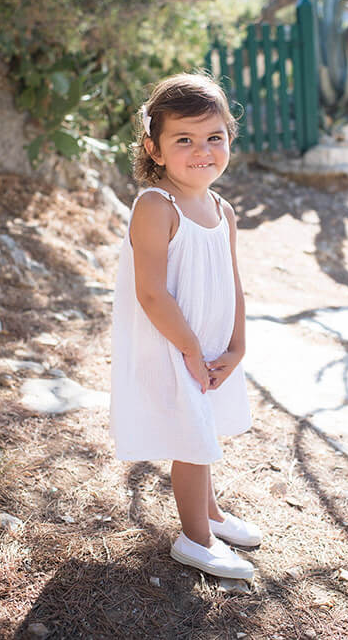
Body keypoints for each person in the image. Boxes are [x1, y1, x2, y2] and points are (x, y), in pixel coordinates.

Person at [110, 73, 260, 580]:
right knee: (191, 438)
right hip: (173, 341)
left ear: (229, 140)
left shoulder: (223, 209)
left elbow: (234, 282)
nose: (202, 151)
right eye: (184, 140)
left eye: (214, 137)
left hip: (210, 342)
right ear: (154, 148)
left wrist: (237, 346)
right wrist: (191, 348)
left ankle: (212, 514)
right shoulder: (157, 206)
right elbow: (151, 292)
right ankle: (195, 539)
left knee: (207, 424)